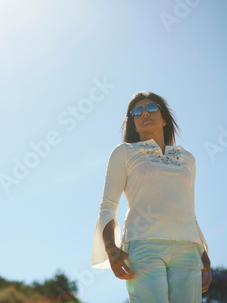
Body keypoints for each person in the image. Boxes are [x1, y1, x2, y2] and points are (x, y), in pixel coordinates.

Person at [91, 91, 212, 303]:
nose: (144, 113)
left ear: (164, 119)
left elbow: (189, 209)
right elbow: (108, 205)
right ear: (134, 124)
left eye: (151, 108)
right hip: (144, 245)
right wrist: (111, 247)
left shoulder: (187, 159)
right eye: (137, 112)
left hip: (187, 250)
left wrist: (204, 254)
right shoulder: (125, 152)